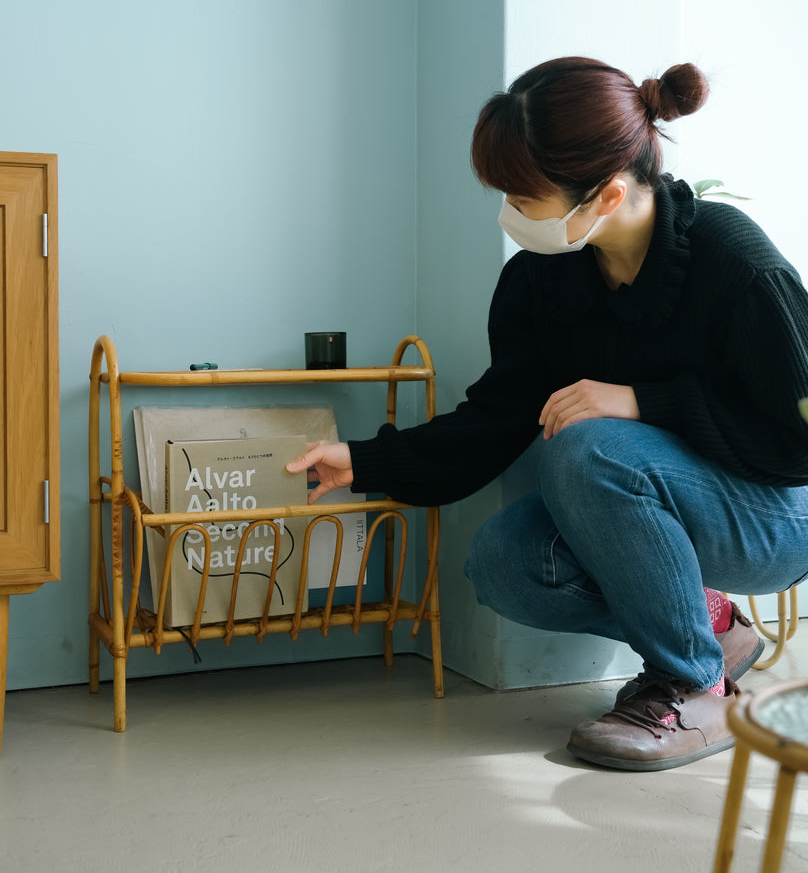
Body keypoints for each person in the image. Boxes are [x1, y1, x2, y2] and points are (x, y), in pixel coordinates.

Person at [288, 56, 808, 772]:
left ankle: (694, 686)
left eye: (524, 197)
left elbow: (797, 444)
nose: (510, 214)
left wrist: (640, 402)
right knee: (506, 564)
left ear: (607, 194)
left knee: (588, 447)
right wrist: (367, 460)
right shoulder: (542, 277)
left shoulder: (738, 265)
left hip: (777, 511)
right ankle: (712, 627)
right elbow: (497, 417)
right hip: (665, 499)